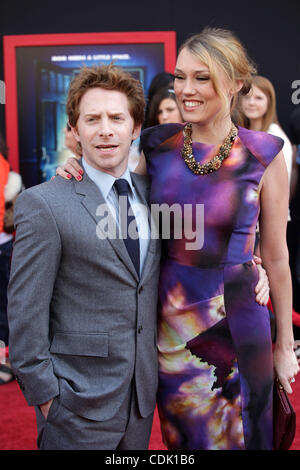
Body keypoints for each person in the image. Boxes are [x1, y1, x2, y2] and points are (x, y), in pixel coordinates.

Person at [57, 27, 299, 451]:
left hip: (241, 325)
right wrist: (75, 173)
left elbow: (277, 258)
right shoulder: (156, 145)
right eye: (179, 76)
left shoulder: (265, 153)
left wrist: (283, 347)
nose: (186, 89)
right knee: (183, 441)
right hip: (170, 328)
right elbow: (116, 204)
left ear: (236, 83)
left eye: (201, 78)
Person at [7, 64, 162, 450]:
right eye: (92, 119)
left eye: (116, 118)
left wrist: (254, 267)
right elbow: (25, 311)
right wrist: (48, 399)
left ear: (136, 128)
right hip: (74, 407)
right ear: (74, 131)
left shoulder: (156, 193)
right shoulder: (45, 203)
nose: (105, 129)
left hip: (141, 404)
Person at [240, 75, 293, 195]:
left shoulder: (275, 137)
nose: (251, 103)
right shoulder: (241, 133)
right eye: (247, 97)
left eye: (258, 98)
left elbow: (279, 189)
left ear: (269, 102)